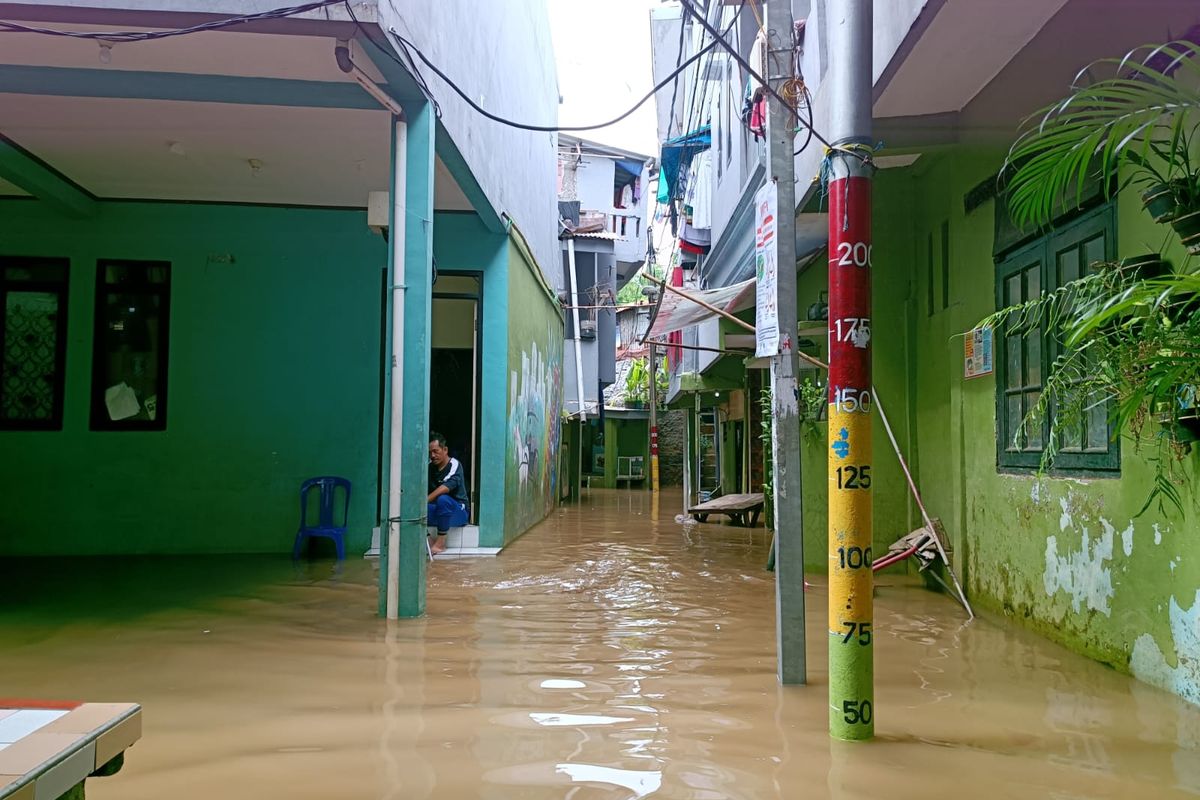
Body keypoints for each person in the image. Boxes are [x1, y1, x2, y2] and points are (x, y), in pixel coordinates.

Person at [427, 431, 469, 555]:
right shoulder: (429, 467)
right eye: (430, 453)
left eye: (436, 451)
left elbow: (446, 487)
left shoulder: (455, 465)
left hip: (458, 513)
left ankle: (440, 543)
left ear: (445, 450)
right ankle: (428, 539)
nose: (432, 455)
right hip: (439, 513)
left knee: (443, 499)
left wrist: (426, 499)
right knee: (414, 506)